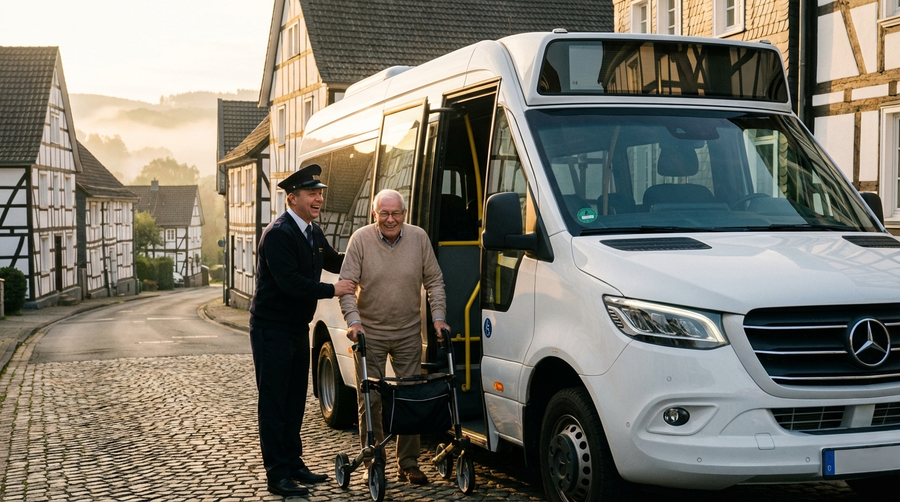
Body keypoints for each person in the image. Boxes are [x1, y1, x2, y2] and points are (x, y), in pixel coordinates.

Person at [249, 164, 356, 497]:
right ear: (292, 198)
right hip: (271, 330)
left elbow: (337, 261)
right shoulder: (279, 234)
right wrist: (333, 290)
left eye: (320, 193)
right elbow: (290, 284)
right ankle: (277, 474)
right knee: (274, 402)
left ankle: (294, 463)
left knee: (295, 399)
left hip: (296, 328)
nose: (319, 198)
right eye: (313, 193)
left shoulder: (312, 231)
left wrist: (370, 256)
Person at [339, 189, 450, 486]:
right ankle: (373, 461)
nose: (390, 219)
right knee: (370, 399)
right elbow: (346, 286)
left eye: (395, 213)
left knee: (410, 397)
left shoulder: (419, 238)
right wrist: (354, 321)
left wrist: (438, 317)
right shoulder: (361, 239)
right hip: (369, 334)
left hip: (407, 332)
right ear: (374, 214)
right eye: (384, 213)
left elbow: (435, 281)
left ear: (404, 213)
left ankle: (409, 463)